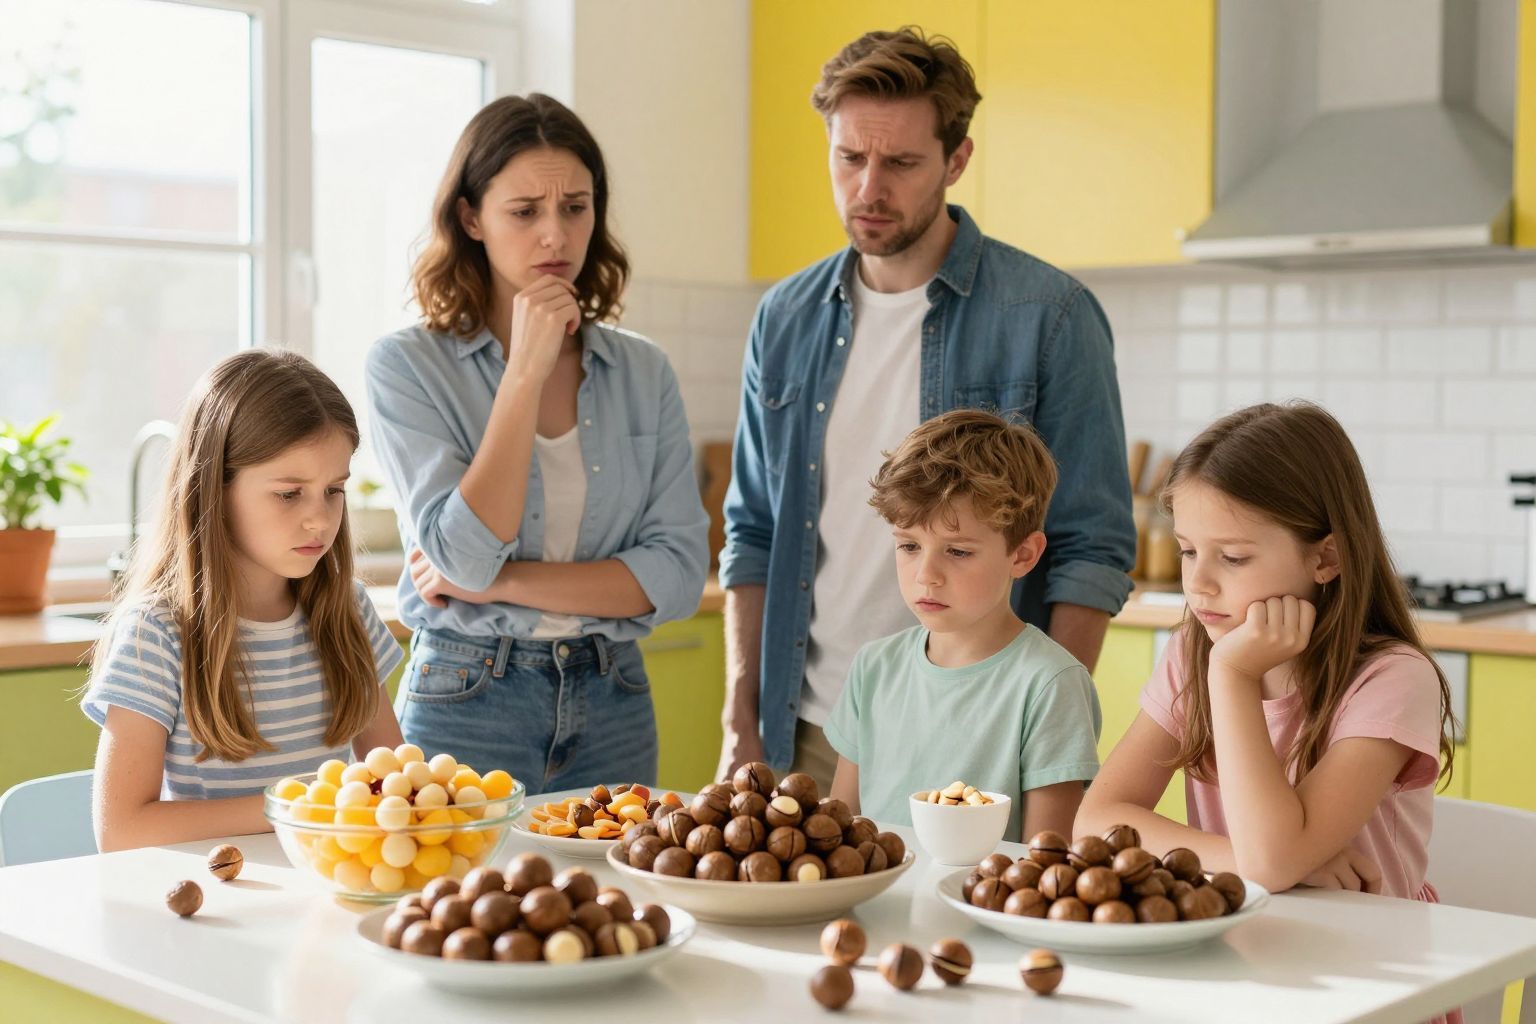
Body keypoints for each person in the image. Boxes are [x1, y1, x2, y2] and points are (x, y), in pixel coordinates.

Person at [717, 26, 1135, 788]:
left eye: (902, 163)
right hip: (806, 726)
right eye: (849, 158)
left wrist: (1037, 734)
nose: (869, 189)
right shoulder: (784, 318)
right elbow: (753, 531)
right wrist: (739, 719)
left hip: (977, 737)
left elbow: (1090, 548)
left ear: (957, 159)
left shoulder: (1050, 315)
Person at [366, 94, 708, 790]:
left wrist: (502, 580)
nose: (555, 235)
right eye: (525, 212)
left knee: (608, 899)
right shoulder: (405, 367)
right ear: (471, 218)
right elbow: (459, 550)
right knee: (451, 900)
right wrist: (523, 373)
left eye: (576, 207)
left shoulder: (644, 370)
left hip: (614, 699)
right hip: (467, 694)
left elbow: (675, 576)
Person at [1076, 402, 1458, 902]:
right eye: (1188, 551)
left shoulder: (1392, 680)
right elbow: (1097, 821)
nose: (1199, 584)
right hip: (1250, 937)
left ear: (1326, 557)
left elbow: (1273, 861)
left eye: (1233, 557)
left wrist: (1233, 676)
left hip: (1375, 954)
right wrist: (1257, 865)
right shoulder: (1193, 649)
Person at [83, 350, 405, 852]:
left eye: (334, 490)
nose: (319, 519)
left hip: (326, 891)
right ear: (215, 486)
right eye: (288, 493)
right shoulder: (157, 633)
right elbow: (120, 830)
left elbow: (396, 782)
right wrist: (304, 809)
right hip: (213, 903)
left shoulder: (348, 611)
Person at [825, 410, 1101, 841]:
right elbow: (838, 831)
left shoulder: (1050, 683)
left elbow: (1047, 859)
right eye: (910, 546)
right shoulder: (873, 668)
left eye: (957, 551)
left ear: (1023, 555)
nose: (926, 575)